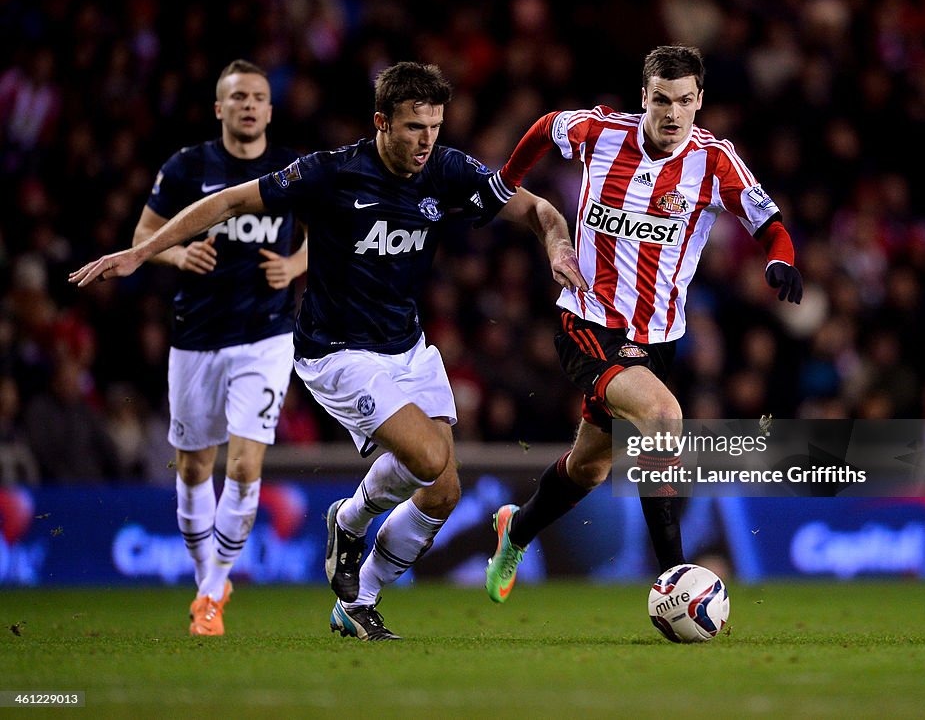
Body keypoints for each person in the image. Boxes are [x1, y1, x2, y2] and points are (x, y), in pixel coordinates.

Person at [71, 61, 584, 641]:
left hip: (407, 348)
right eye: (414, 127)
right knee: (428, 459)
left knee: (444, 491)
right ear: (381, 122)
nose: (426, 141)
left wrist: (557, 247)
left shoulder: (445, 170)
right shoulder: (332, 173)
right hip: (338, 353)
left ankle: (358, 600)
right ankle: (351, 518)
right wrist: (143, 252)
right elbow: (230, 202)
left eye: (435, 127)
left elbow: (536, 208)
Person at [483, 45, 804, 603]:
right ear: (644, 97)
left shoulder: (715, 161)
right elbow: (544, 126)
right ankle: (675, 579)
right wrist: (506, 180)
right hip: (589, 322)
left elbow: (769, 223)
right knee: (662, 415)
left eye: (684, 100)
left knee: (588, 468)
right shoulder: (599, 133)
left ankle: (519, 529)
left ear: (700, 101)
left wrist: (782, 259)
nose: (672, 113)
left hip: (658, 340)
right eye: (661, 99)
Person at [132, 59, 307, 635]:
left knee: (246, 463)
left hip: (265, 336)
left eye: (258, 96)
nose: (249, 105)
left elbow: (327, 236)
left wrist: (294, 264)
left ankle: (211, 594)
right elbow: (142, 239)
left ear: (270, 109)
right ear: (219, 108)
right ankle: (209, 575)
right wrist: (179, 254)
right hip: (196, 337)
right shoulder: (188, 167)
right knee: (192, 469)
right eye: (238, 98)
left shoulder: (290, 169)